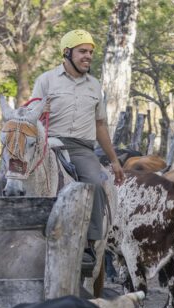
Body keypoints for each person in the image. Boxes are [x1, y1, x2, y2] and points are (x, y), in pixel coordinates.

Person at [31, 29, 124, 275]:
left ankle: (89, 245)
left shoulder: (94, 86)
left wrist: (114, 160)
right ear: (67, 52)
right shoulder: (46, 80)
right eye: (83, 51)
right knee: (16, 175)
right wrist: (41, 111)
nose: (88, 56)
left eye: (91, 52)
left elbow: (101, 124)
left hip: (81, 147)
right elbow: (31, 116)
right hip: (49, 142)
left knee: (95, 181)